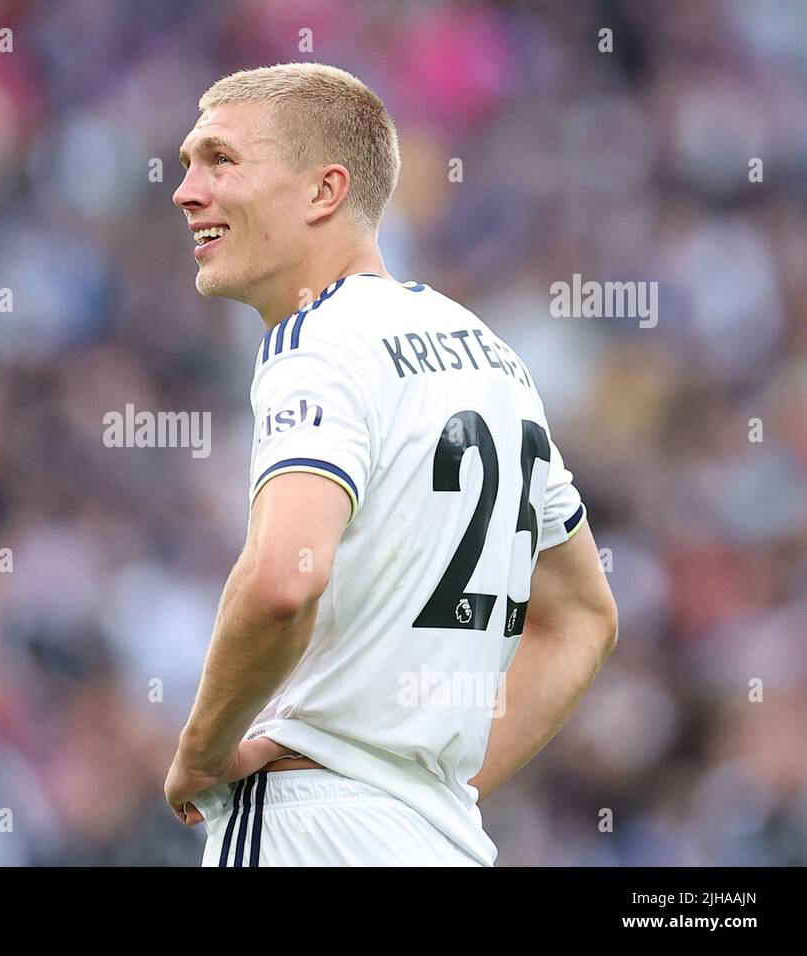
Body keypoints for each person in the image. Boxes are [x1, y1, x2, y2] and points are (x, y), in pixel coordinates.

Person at [162, 62, 618, 866]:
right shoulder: (492, 357)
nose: (187, 192)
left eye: (220, 160)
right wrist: (433, 785)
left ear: (323, 190)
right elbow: (584, 616)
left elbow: (283, 581)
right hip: (442, 840)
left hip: (307, 823)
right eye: (188, 166)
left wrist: (201, 755)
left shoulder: (315, 342)